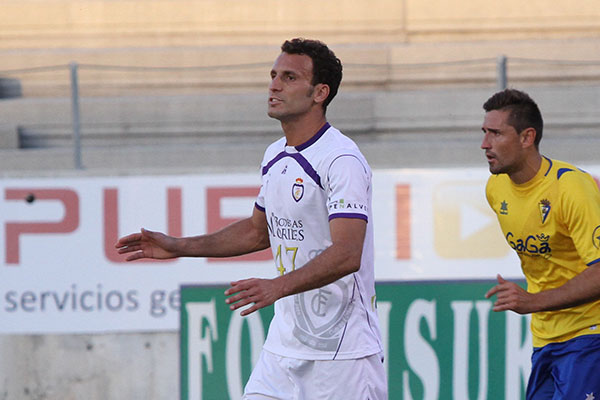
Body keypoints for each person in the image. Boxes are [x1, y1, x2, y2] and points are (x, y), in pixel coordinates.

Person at [115, 38, 387, 399]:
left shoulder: (341, 160)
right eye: (274, 75)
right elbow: (258, 232)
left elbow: (347, 253)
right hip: (283, 349)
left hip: (342, 356)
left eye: (289, 77)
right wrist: (178, 246)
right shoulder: (275, 155)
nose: (274, 85)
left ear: (320, 92)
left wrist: (277, 286)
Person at [482, 88, 600, 398]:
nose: (484, 144)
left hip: (591, 335)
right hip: (546, 338)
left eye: (495, 134)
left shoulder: (571, 187)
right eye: (484, 133)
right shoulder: (496, 188)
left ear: (526, 137)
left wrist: (532, 301)